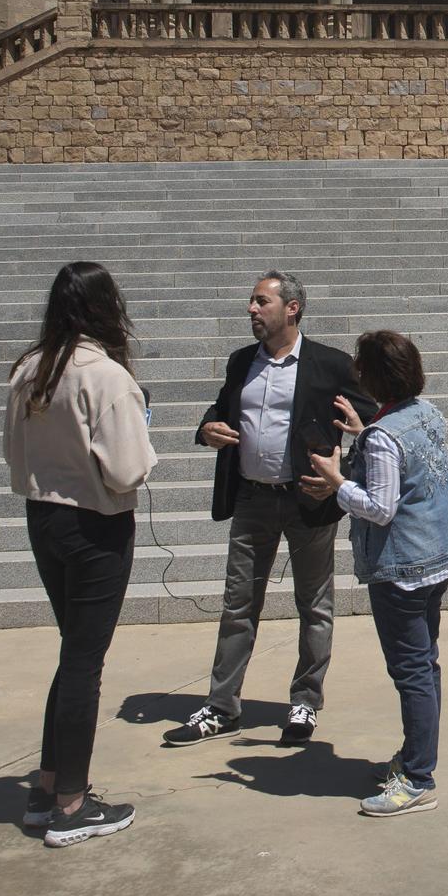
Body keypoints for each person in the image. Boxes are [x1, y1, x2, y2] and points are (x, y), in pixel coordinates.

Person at [162, 271, 376, 748]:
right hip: (252, 499)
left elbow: (374, 427)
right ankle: (222, 707)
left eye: (261, 302)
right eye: (252, 302)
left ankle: (305, 702)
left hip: (308, 501)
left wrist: (343, 476)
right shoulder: (241, 363)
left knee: (314, 606)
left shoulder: (329, 365)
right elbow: (218, 411)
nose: (252, 310)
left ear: (292, 308)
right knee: (238, 604)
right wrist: (207, 429)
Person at [3, 261, 158, 848]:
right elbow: (127, 468)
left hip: (43, 516)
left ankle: (48, 787)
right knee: (84, 664)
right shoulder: (105, 374)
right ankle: (71, 802)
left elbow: (11, 451)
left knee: (74, 654)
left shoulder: (30, 368)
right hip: (95, 525)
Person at [302, 329, 448, 818]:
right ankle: (417, 758)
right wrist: (363, 427)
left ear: (372, 376)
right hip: (437, 558)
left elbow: (380, 507)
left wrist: (335, 483)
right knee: (425, 663)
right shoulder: (425, 413)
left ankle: (417, 777)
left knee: (411, 670)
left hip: (401, 570)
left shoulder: (383, 436)